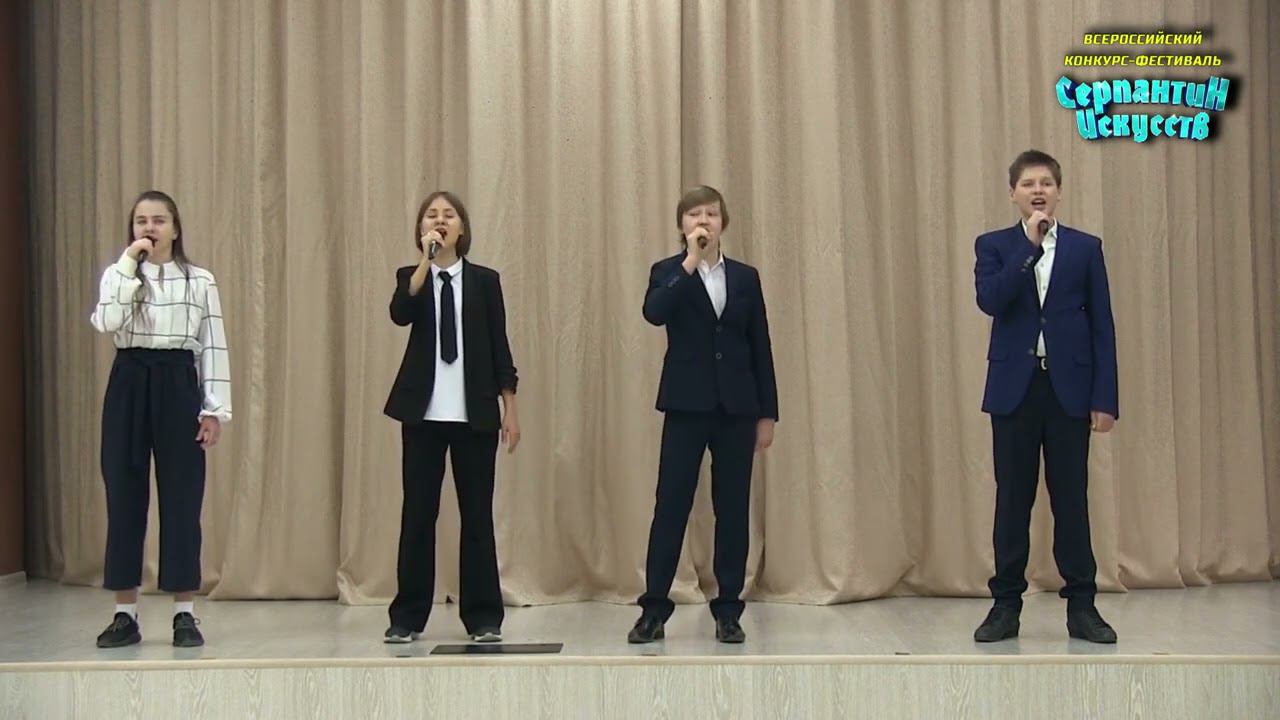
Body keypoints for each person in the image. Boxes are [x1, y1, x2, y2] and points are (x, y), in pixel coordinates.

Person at [972, 150, 1118, 644]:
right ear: (1013, 193)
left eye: (1046, 183)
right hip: (1015, 390)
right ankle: (1005, 606)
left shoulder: (1085, 248)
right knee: (1012, 500)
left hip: (1068, 390)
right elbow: (991, 300)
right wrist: (1029, 248)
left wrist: (1105, 398)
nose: (1038, 191)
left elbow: (1102, 327)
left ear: (1059, 191)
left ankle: (1082, 606)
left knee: (1071, 499)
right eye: (1028, 184)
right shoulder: (995, 246)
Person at [629, 185, 778, 645]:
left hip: (737, 408)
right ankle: (654, 610)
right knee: (670, 505)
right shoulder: (668, 272)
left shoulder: (745, 277)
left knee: (731, 509)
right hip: (686, 405)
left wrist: (767, 413)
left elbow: (760, 345)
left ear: (723, 222)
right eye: (694, 215)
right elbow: (654, 313)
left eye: (711, 214)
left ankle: (728, 609)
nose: (703, 221)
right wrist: (690, 262)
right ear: (682, 225)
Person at [90, 190, 232, 648]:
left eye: (158, 220)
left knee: (182, 499)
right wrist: (128, 263)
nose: (149, 228)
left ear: (175, 227)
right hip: (129, 379)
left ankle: (184, 614)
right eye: (141, 221)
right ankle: (124, 614)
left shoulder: (200, 280)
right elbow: (106, 322)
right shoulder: (119, 275)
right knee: (124, 495)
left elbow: (212, 345)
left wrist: (213, 410)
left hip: (177, 381)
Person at [382, 191, 520, 644]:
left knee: (476, 516)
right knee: (418, 514)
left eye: (448, 215)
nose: (439, 221)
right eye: (431, 216)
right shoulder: (413, 277)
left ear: (462, 228)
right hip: (423, 414)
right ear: (421, 228)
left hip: (473, 414)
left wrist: (510, 407)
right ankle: (407, 617)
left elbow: (499, 345)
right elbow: (400, 313)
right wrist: (426, 261)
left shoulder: (484, 281)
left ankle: (483, 617)